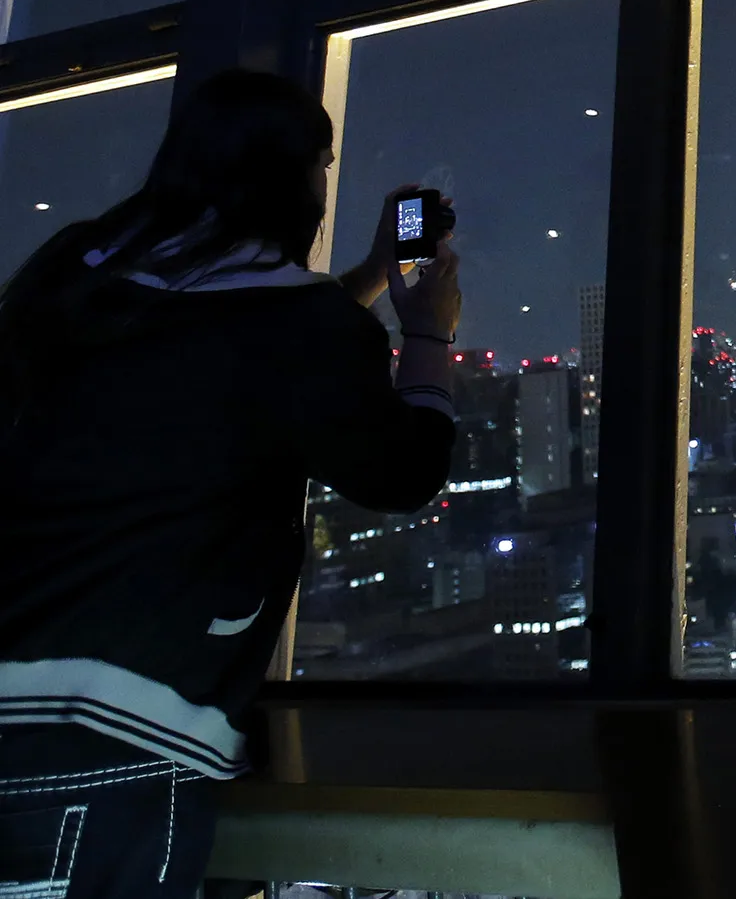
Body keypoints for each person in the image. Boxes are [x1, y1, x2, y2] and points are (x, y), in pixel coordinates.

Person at [0, 69, 460, 895]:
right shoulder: (300, 331)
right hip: (115, 737)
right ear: (297, 180)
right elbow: (403, 468)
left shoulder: (76, 271)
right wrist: (426, 334)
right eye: (322, 165)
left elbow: (228, 347)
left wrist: (360, 278)